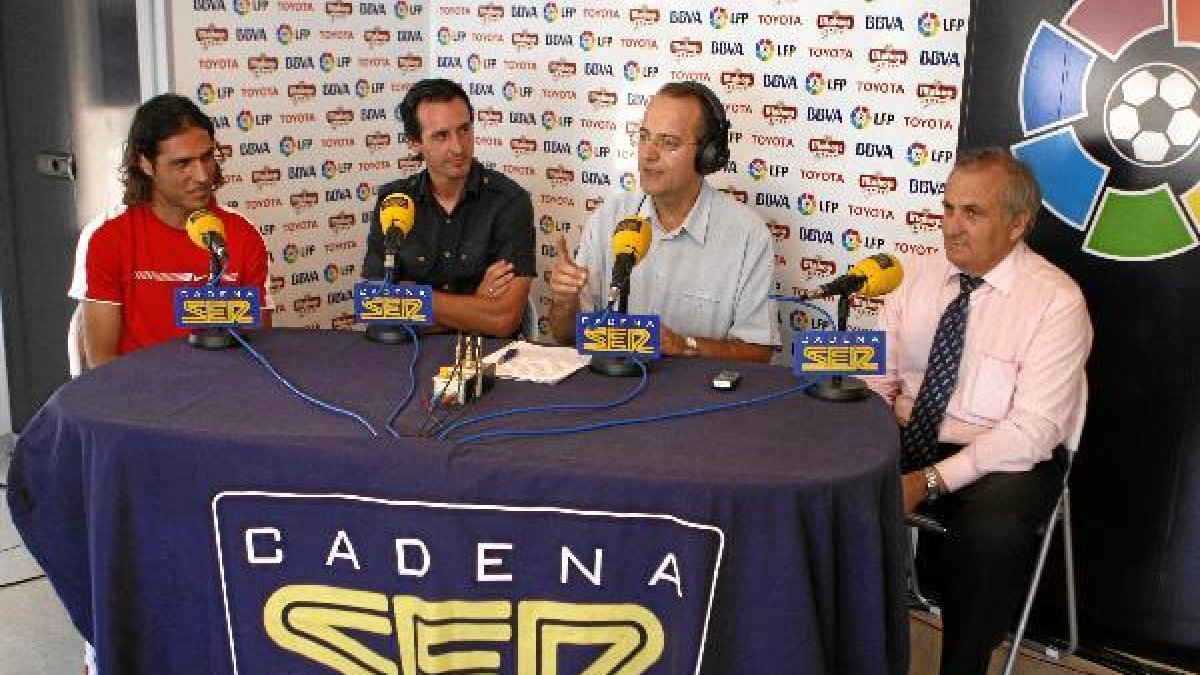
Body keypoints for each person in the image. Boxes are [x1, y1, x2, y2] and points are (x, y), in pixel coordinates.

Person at [869, 148, 1092, 675]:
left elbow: (1033, 432)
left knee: (993, 536)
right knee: (824, 483)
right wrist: (870, 441)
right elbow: (878, 377)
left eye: (972, 213)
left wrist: (928, 481)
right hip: (908, 434)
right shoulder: (913, 278)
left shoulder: (1056, 301)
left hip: (1002, 458)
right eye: (947, 209)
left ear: (1018, 223)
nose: (951, 227)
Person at [546, 81, 778, 361]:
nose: (648, 154)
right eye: (644, 137)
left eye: (668, 143)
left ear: (708, 155)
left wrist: (685, 346)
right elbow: (564, 335)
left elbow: (759, 353)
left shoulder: (747, 235)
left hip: (700, 398)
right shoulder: (610, 218)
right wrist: (564, 302)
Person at [69, 93, 272, 370]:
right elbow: (101, 360)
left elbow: (257, 347)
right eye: (182, 163)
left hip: (223, 394)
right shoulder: (108, 238)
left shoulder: (242, 235)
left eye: (207, 157)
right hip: (141, 398)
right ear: (146, 164)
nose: (202, 176)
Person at [362, 78, 534, 337]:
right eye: (441, 136)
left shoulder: (509, 202)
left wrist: (411, 298)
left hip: (484, 360)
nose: (458, 147)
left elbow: (502, 319)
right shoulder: (394, 200)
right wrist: (476, 304)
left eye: (464, 130)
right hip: (406, 358)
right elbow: (377, 311)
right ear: (414, 142)